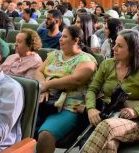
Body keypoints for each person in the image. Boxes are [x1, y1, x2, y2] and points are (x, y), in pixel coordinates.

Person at [82, 29, 139, 153]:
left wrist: (136, 112)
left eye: (119, 46)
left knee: (107, 126)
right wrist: (91, 108)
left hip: (135, 123)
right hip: (108, 116)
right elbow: (92, 90)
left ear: (132, 50)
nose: (114, 48)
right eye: (115, 44)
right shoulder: (107, 64)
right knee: (109, 145)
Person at [34, 25, 97, 153]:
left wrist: (47, 85)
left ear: (76, 40)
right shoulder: (54, 55)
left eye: (65, 36)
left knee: (45, 135)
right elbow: (38, 72)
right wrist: (44, 87)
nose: (60, 39)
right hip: (45, 101)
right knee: (21, 126)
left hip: (69, 106)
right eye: (61, 36)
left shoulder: (86, 59)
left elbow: (75, 80)